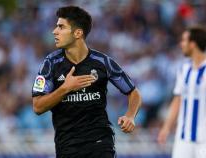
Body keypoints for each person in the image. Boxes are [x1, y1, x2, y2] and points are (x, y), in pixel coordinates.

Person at [32, 6, 142, 158]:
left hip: (100, 143)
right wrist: (65, 88)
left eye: (61, 27)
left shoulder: (102, 62)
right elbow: (37, 106)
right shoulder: (51, 64)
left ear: (78, 33)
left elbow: (133, 92)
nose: (54, 31)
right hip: (67, 146)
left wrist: (130, 116)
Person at [158, 26, 206, 158]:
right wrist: (166, 127)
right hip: (183, 138)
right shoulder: (184, 69)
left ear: (193, 44)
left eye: (184, 40)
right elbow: (177, 100)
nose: (181, 44)